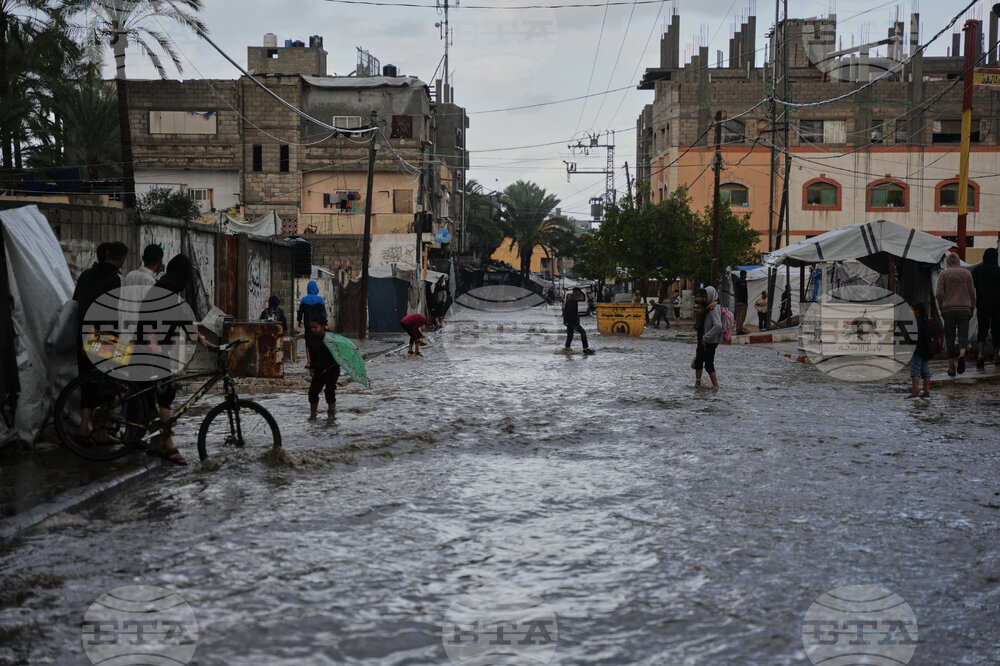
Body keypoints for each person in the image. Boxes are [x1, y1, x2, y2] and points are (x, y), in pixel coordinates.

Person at [72, 241, 128, 445]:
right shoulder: (116, 278)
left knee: (87, 381)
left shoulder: (85, 276)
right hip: (105, 338)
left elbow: (75, 303)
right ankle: (101, 432)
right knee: (111, 382)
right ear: (121, 258)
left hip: (83, 335)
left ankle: (83, 427)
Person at [936, 251, 976, 376]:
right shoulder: (967, 273)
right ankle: (962, 355)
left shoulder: (943, 274)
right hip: (964, 308)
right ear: (959, 261)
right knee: (963, 336)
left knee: (950, 338)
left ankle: (952, 367)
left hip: (948, 309)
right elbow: (972, 293)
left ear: (947, 262)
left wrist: (942, 307)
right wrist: (972, 307)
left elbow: (939, 294)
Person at [305, 316, 340, 418]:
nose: (313, 330)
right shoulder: (312, 339)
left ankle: (331, 414)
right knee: (312, 393)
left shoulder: (331, 339)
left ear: (323, 326)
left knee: (329, 391)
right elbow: (311, 354)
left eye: (316, 327)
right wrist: (311, 367)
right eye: (311, 327)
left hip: (332, 369)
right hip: (319, 370)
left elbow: (338, 354)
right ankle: (313, 415)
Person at [971, 247, 1000, 368]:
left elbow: (973, 285)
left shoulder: (977, 270)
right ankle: (996, 357)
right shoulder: (999, 271)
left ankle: (980, 355)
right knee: (997, 330)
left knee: (982, 329)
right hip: (998, 305)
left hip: (983, 303)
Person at [692, 286, 722, 388]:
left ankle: (716, 386)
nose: (703, 299)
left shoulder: (714, 308)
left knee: (709, 365)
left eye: (705, 297)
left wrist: (706, 337)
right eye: (701, 297)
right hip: (703, 339)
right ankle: (697, 384)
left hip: (709, 340)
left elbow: (718, 325)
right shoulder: (706, 306)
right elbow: (701, 313)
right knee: (699, 362)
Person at [906, 303, 933, 399]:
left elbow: (912, 337)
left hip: (917, 350)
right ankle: (926, 392)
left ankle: (914, 393)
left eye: (912, 310)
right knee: (926, 372)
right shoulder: (927, 322)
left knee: (915, 371)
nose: (911, 311)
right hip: (926, 351)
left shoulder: (915, 322)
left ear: (917, 311)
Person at [563, 287, 594, 354]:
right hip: (571, 321)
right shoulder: (572, 300)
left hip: (568, 320)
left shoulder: (570, 299)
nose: (579, 296)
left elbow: (567, 311)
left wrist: (565, 321)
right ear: (577, 293)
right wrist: (577, 320)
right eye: (579, 294)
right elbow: (572, 312)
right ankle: (585, 348)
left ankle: (567, 348)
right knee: (583, 332)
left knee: (570, 334)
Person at [733, 270, 749, 334]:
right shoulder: (742, 281)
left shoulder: (737, 281)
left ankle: (737, 329)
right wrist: (745, 301)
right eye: (745, 274)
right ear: (743, 274)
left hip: (737, 301)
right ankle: (740, 330)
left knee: (738, 316)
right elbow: (743, 292)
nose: (746, 276)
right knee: (742, 316)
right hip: (742, 301)